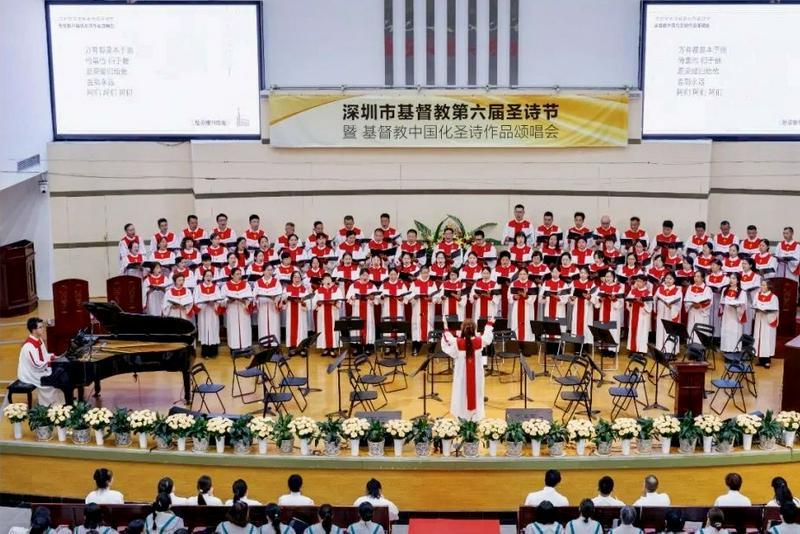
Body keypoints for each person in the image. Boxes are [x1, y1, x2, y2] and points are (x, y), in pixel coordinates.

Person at [440, 317, 494, 421]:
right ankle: (475, 418)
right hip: (477, 376)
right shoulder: (480, 341)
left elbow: (447, 340)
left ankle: (462, 417)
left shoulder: (457, 343)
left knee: (461, 394)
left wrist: (446, 328)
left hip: (461, 376)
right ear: (474, 329)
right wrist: (489, 323)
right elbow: (488, 336)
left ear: (462, 329)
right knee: (477, 394)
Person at [17, 317, 65, 405]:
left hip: (39, 368)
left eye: (42, 326)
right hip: (30, 373)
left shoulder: (39, 340)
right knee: (52, 381)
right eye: (40, 327)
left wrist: (54, 357)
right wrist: (50, 363)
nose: (43, 329)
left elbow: (44, 355)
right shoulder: (28, 346)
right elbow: (36, 364)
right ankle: (49, 406)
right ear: (33, 330)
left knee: (59, 376)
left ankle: (60, 403)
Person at [347, 268, 381, 354]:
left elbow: (377, 300)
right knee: (356, 327)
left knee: (368, 327)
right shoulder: (354, 285)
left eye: (366, 275)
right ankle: (356, 347)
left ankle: (368, 347)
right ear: (360, 276)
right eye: (363, 275)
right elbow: (348, 298)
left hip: (368, 311)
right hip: (357, 310)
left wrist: (373, 298)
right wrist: (352, 297)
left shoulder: (372, 286)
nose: (365, 277)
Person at [406, 265, 438, 354]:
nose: (425, 274)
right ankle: (415, 345)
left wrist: (431, 299)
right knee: (416, 326)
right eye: (423, 273)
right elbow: (409, 296)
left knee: (429, 326)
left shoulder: (432, 283)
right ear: (420, 273)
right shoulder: (414, 283)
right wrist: (414, 297)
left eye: (427, 273)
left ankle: (431, 346)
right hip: (417, 308)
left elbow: (436, 296)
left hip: (429, 308)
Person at [221, 267, 253, 351]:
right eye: (237, 274)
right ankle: (234, 348)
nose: (239, 276)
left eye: (240, 274)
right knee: (233, 328)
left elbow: (250, 297)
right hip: (232, 309)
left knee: (245, 328)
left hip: (243, 309)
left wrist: (245, 300)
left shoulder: (246, 284)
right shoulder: (226, 285)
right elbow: (222, 299)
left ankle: (246, 348)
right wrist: (228, 300)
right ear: (232, 275)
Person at [313, 273, 343, 356]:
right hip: (322, 314)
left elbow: (340, 302)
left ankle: (333, 348)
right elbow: (313, 304)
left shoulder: (337, 290)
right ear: (322, 281)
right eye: (325, 279)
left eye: (329, 279)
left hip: (333, 313)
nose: (327, 281)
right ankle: (325, 348)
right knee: (323, 329)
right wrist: (318, 303)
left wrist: (335, 303)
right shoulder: (318, 291)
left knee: (333, 329)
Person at [282, 271, 311, 350]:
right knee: (291, 329)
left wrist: (303, 303)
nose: (297, 279)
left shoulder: (304, 289)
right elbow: (283, 302)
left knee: (301, 330)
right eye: (295, 277)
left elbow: (308, 303)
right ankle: (292, 347)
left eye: (298, 277)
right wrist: (285, 300)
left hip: (301, 313)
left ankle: (302, 348)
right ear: (292, 278)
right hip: (290, 313)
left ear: (301, 279)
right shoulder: (287, 288)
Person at [753, 279, 780, 367]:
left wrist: (767, 311)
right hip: (759, 319)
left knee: (766, 340)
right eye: (761, 285)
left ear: (769, 286)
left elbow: (775, 310)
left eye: (764, 285)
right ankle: (760, 360)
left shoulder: (773, 297)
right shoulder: (757, 294)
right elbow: (754, 304)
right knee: (759, 338)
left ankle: (767, 361)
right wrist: (757, 308)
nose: (762, 287)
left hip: (768, 322)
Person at [252, 264, 283, 343]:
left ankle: (274, 345)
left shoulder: (276, 282)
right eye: (268, 270)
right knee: (263, 326)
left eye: (271, 270)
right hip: (262, 308)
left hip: (273, 307)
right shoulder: (258, 282)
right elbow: (254, 295)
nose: (270, 272)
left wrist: (276, 298)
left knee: (274, 325)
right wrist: (257, 299)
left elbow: (280, 294)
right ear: (263, 271)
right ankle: (264, 344)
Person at [593, 270, 624, 345]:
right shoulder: (601, 287)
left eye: (610, 276)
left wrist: (614, 299)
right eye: (606, 276)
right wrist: (600, 300)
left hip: (614, 313)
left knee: (613, 331)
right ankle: (604, 349)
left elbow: (621, 304)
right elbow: (596, 301)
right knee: (604, 329)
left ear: (613, 277)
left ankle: (612, 350)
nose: (608, 278)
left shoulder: (618, 288)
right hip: (603, 311)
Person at [654, 272, 682, 351]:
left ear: (674, 280)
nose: (668, 280)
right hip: (661, 314)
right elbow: (654, 299)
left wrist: (672, 306)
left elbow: (679, 303)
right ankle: (660, 348)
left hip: (671, 315)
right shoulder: (660, 289)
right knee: (660, 330)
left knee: (670, 330)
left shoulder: (677, 290)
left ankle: (670, 351)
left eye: (670, 279)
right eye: (666, 278)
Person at [719, 273, 747, 353]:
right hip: (726, 315)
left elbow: (743, 305)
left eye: (734, 278)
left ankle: (735, 352)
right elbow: (721, 302)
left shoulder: (742, 292)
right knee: (726, 332)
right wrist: (722, 304)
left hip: (735, 317)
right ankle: (726, 351)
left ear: (738, 281)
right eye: (730, 278)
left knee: (734, 333)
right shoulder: (725, 290)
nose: (731, 280)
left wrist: (737, 306)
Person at [625, 274, 652, 355]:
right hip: (634, 314)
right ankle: (632, 349)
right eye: (637, 281)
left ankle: (641, 351)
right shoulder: (632, 291)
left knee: (642, 332)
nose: (637, 283)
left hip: (642, 316)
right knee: (633, 331)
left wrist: (642, 303)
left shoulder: (648, 293)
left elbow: (649, 307)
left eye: (640, 281)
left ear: (645, 282)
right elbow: (628, 302)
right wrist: (630, 303)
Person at [509, 268, 537, 341]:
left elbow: (533, 299)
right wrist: (514, 297)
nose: (522, 276)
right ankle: (515, 343)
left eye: (524, 274)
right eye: (520, 274)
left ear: (527, 275)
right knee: (516, 325)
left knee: (527, 326)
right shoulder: (513, 284)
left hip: (528, 309)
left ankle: (528, 344)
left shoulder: (532, 284)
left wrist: (526, 296)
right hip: (516, 308)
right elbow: (509, 297)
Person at [684, 271, 713, 344]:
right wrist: (692, 304)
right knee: (691, 329)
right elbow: (686, 299)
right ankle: (691, 347)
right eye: (695, 276)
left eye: (698, 276)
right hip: (692, 311)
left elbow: (709, 302)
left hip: (701, 313)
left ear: (703, 278)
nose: (696, 278)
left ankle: (700, 349)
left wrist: (700, 305)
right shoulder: (690, 287)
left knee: (701, 331)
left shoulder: (707, 289)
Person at [570, 267, 595, 342]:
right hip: (577, 308)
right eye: (581, 273)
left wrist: (589, 297)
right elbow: (570, 295)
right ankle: (577, 347)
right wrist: (572, 298)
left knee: (586, 327)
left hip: (587, 308)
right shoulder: (574, 283)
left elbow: (595, 297)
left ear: (588, 274)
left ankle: (585, 348)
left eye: (584, 273)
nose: (582, 275)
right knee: (576, 327)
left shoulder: (591, 284)